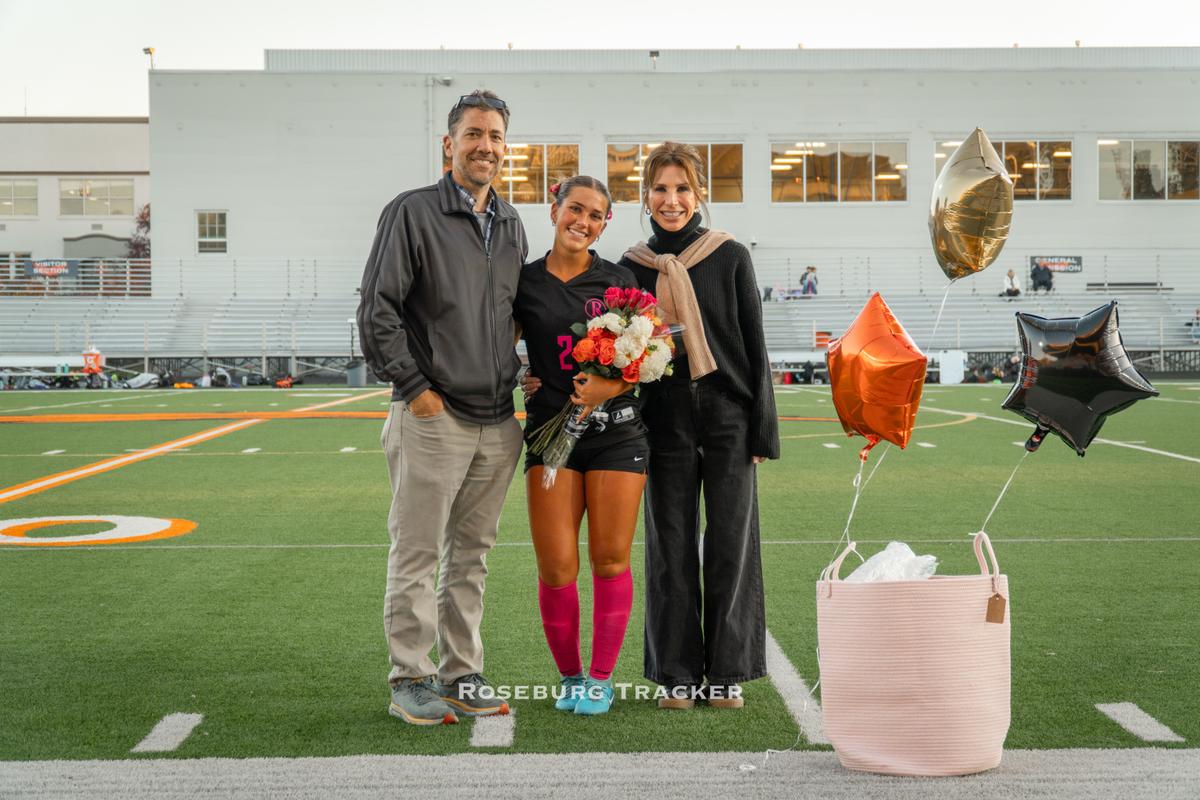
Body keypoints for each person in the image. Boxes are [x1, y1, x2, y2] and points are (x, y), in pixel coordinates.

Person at [357, 90, 527, 726]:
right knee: (418, 551)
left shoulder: (510, 223)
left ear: (506, 149)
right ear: (449, 144)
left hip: (497, 419)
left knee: (471, 557)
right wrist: (415, 389)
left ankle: (462, 672)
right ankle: (410, 676)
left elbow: (509, 316)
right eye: (474, 134)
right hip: (434, 415)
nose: (485, 146)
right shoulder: (413, 211)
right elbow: (377, 309)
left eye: (496, 136)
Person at [620, 142, 780, 709]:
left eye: (683, 188)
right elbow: (623, 358)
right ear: (646, 197)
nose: (672, 200)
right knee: (670, 545)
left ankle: (727, 671)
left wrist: (762, 429)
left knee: (732, 542)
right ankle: (677, 673)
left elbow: (754, 343)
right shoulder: (631, 267)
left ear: (699, 194)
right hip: (662, 420)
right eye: (661, 189)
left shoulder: (729, 255)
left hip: (727, 415)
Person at [514, 176, 647, 716]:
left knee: (610, 559)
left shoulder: (619, 281)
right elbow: (497, 343)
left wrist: (608, 389)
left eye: (595, 215)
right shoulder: (523, 281)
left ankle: (600, 679)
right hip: (552, 437)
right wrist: (519, 374)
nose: (583, 221)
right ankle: (569, 677)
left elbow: (648, 358)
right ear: (554, 211)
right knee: (556, 565)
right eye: (575, 209)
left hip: (617, 435)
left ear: (604, 224)